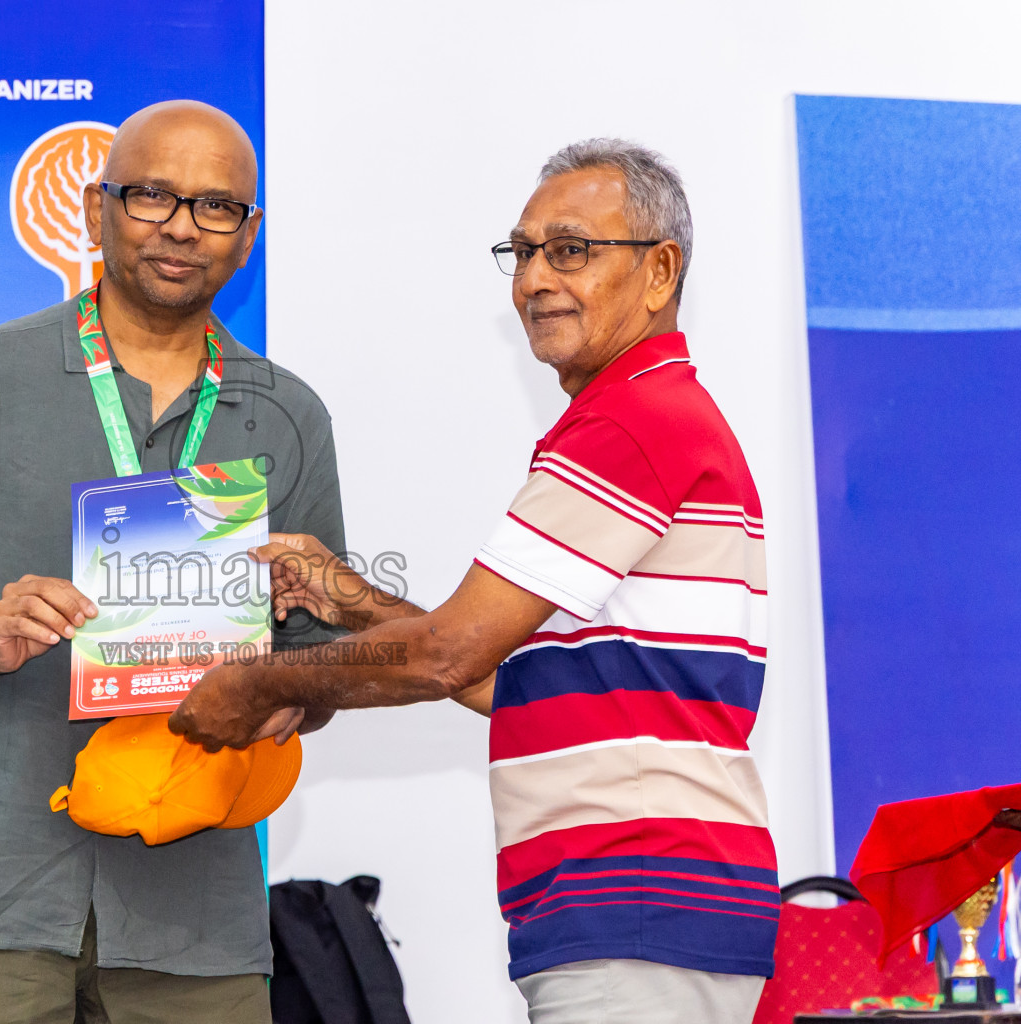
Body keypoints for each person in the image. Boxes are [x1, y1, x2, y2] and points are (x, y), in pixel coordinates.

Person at [169, 139, 777, 1023]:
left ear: (661, 270)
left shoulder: (632, 423)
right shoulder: (645, 417)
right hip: (642, 912)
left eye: (570, 249)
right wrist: (352, 598)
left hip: (637, 906)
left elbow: (448, 653)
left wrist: (256, 682)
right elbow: (511, 679)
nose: (533, 279)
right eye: (522, 252)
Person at [0, 99, 345, 1024]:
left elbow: (322, 680)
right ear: (94, 207)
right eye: (151, 195)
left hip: (195, 913)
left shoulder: (287, 416)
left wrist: (288, 689)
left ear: (248, 236)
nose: (182, 227)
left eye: (216, 206)